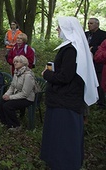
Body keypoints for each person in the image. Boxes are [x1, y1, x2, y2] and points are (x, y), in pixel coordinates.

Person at [40, 16, 99, 170]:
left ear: (67, 29)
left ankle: (64, 165)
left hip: (65, 102)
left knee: (64, 139)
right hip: (65, 100)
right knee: (61, 137)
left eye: (59, 27)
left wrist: (46, 74)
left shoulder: (71, 50)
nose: (57, 30)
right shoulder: (73, 48)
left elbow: (65, 77)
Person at [0, 55, 35, 130]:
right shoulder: (16, 73)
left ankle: (15, 125)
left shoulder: (28, 75)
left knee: (8, 105)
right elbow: (12, 86)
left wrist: (10, 97)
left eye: (17, 62)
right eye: (14, 62)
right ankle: (5, 121)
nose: (15, 63)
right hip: (17, 95)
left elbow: (25, 93)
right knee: (0, 101)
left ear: (23, 63)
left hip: (27, 98)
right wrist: (6, 94)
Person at [85, 17, 106, 108]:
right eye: (88, 23)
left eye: (91, 23)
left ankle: (101, 102)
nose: (89, 25)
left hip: (99, 63)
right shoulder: (85, 34)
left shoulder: (103, 34)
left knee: (99, 81)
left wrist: (93, 48)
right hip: (87, 61)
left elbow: (103, 48)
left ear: (97, 24)